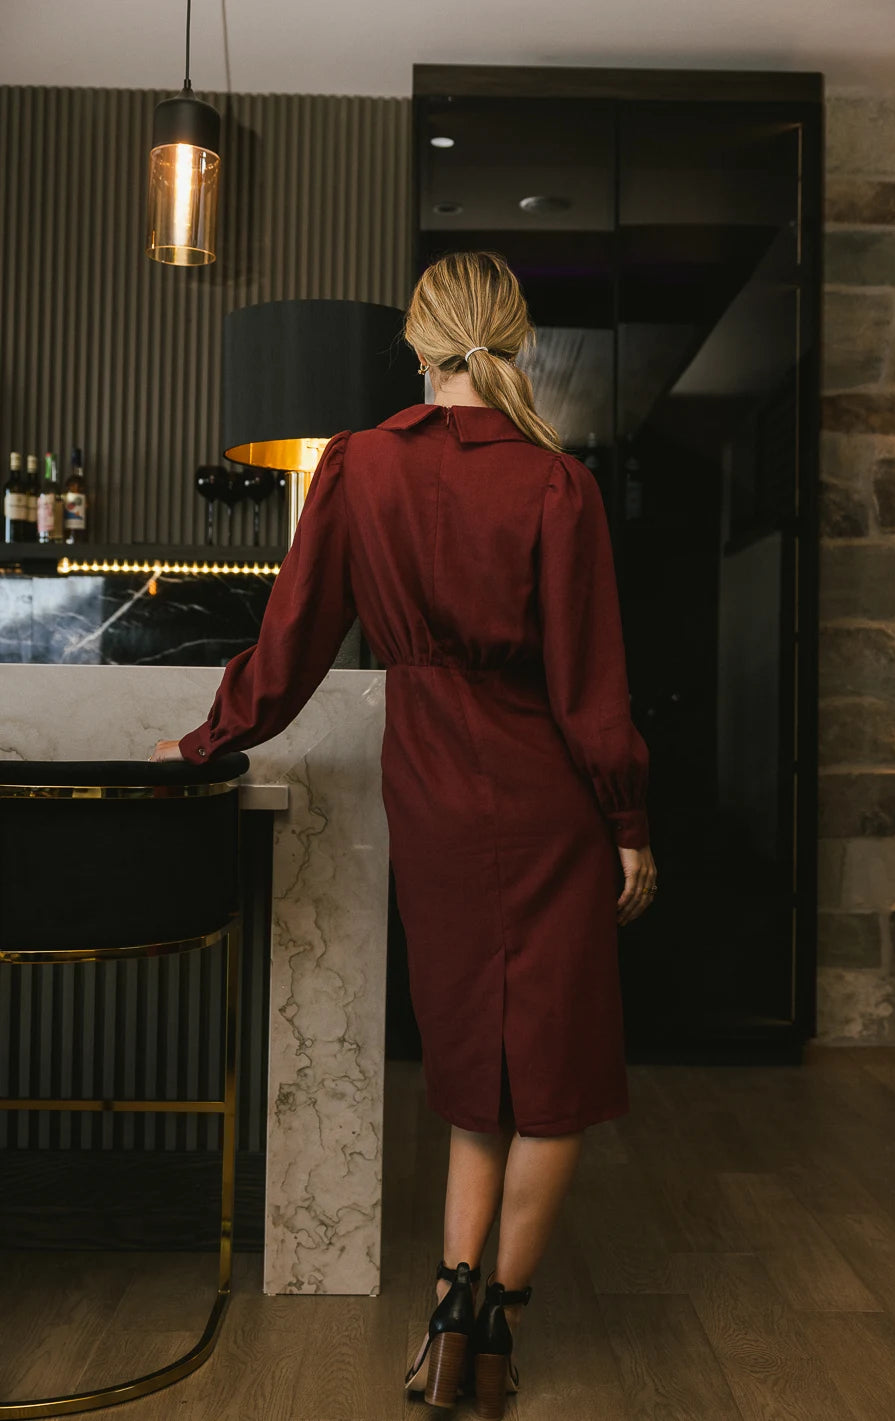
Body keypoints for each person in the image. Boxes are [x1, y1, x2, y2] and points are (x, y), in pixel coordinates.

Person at [150, 249, 657, 1417]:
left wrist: (206, 739)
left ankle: (446, 1312)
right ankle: (496, 1326)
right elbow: (592, 691)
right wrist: (629, 822)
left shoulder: (356, 466)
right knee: (557, 1077)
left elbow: (290, 644)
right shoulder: (557, 484)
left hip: (430, 796)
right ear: (515, 337)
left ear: (418, 343)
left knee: (475, 1073)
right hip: (549, 804)